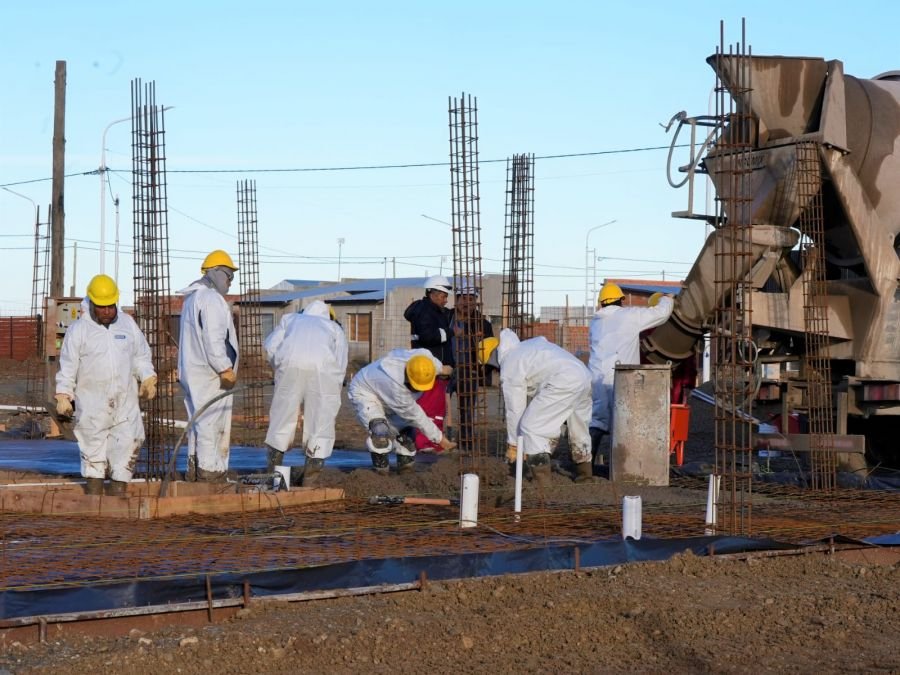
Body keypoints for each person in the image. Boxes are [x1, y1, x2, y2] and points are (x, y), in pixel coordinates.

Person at [54, 274, 157, 496]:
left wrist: (148, 377)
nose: (108, 311)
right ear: (91, 303)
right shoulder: (79, 330)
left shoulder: (127, 324)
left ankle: (118, 498)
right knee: (93, 449)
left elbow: (140, 356)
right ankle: (94, 497)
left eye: (111, 306)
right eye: (102, 307)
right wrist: (63, 395)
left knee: (128, 444)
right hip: (93, 403)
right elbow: (68, 367)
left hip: (125, 402)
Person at [478, 328, 594, 486]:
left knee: (531, 427)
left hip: (563, 380)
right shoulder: (524, 348)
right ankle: (585, 476)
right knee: (579, 428)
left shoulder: (510, 364)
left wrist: (514, 444)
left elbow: (515, 410)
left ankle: (542, 484)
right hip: (583, 375)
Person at [263, 300, 348, 486]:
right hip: (323, 370)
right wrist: (334, 387)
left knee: (282, 416)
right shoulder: (335, 329)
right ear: (329, 316)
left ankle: (274, 474)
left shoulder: (290, 319)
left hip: (290, 365)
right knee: (321, 419)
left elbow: (270, 346)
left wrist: (280, 369)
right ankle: (311, 478)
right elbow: (340, 363)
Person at [588, 283, 674, 461]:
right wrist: (667, 299)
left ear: (602, 303)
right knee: (625, 420)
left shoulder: (596, 322)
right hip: (622, 378)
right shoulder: (629, 316)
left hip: (597, 378)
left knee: (597, 420)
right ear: (621, 300)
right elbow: (661, 314)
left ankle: (585, 464)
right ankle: (624, 464)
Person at [177, 250, 240, 482]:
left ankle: (195, 472)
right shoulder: (211, 300)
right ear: (214, 272)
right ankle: (209, 474)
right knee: (211, 422)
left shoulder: (193, 299)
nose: (230, 281)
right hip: (210, 375)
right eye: (228, 275)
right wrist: (224, 367)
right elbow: (213, 339)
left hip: (194, 372)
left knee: (198, 421)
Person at [347, 349, 457, 475]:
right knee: (379, 429)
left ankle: (405, 466)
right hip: (365, 392)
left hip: (388, 394)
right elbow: (417, 417)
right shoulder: (397, 387)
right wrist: (441, 439)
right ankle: (381, 470)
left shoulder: (424, 362)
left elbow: (437, 367)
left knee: (407, 433)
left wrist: (445, 369)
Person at [403, 275, 455, 450]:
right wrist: (450, 333)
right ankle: (424, 443)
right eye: (443, 296)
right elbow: (427, 336)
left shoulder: (434, 311)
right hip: (429, 369)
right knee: (428, 407)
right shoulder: (425, 311)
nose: (445, 300)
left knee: (437, 408)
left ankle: (434, 442)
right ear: (432, 293)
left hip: (437, 369)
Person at [450, 283, 493, 450]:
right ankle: (437, 441)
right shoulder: (447, 318)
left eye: (471, 299)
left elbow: (490, 351)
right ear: (457, 300)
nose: (467, 303)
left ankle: (466, 441)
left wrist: (482, 372)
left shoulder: (482, 324)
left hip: (469, 371)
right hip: (445, 369)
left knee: (467, 409)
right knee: (438, 407)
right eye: (464, 298)